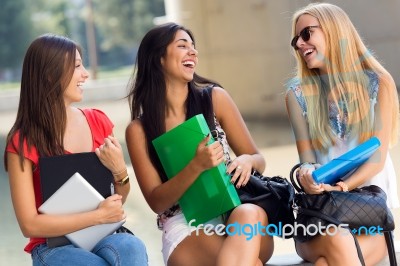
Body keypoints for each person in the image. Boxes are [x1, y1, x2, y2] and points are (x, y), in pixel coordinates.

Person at [125, 22, 274, 266]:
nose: (193, 52)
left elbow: (258, 158)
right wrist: (196, 165)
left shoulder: (215, 98)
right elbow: (156, 202)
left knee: (250, 214)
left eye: (193, 47)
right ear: (158, 59)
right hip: (185, 225)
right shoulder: (139, 130)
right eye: (182, 46)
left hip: (233, 211)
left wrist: (246, 160)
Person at [4, 34, 148, 266]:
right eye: (77, 66)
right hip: (51, 245)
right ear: (51, 74)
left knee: (132, 246)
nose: (85, 74)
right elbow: (29, 224)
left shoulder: (99, 122)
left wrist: (120, 170)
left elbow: (116, 201)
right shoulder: (22, 142)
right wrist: (98, 216)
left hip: (100, 235)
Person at [285, 3, 399, 265]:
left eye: (307, 34)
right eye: (296, 40)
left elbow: (377, 158)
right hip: (322, 218)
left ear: (334, 31)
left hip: (368, 216)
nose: (300, 45)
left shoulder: (378, 83)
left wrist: (341, 187)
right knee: (337, 239)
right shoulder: (297, 95)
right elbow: (307, 160)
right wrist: (307, 176)